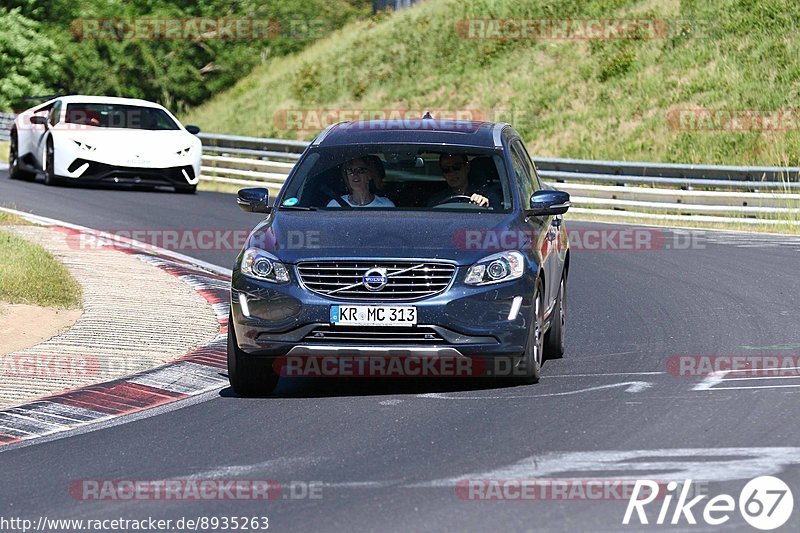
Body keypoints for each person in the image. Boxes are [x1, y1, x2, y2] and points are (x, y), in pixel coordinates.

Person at [327, 156, 395, 208]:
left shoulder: (386, 206)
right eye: (350, 171)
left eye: (360, 170)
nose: (355, 175)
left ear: (370, 175)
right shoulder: (335, 205)